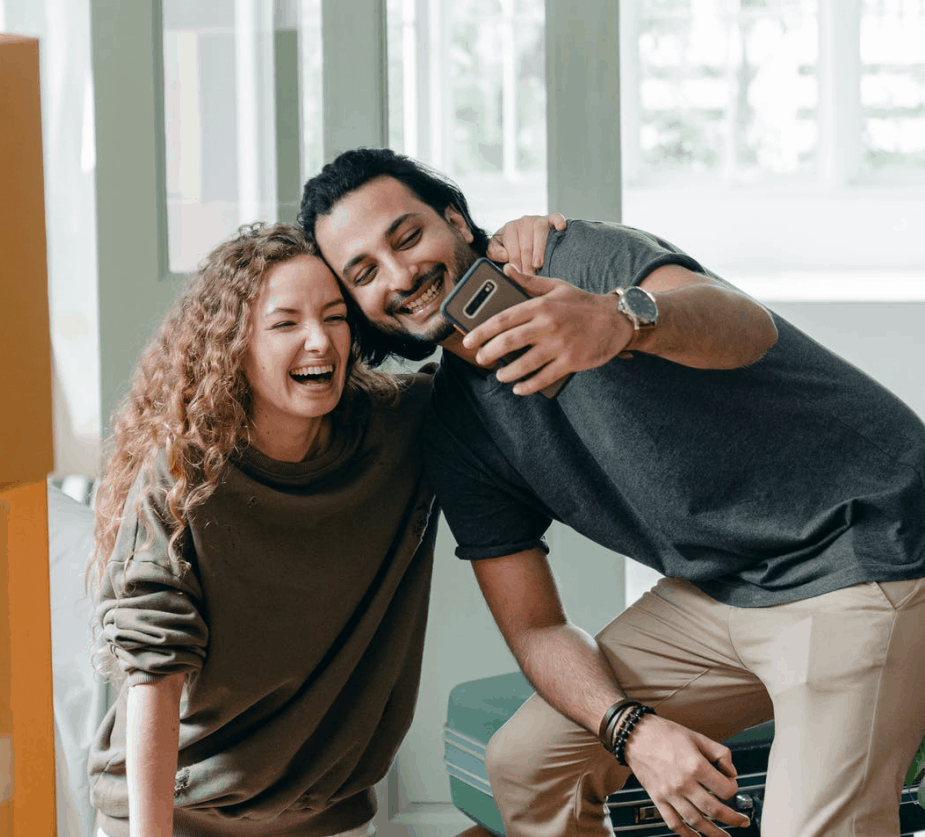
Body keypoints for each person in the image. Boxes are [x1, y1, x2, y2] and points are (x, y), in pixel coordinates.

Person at [298, 148, 925, 837]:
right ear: (355, 306)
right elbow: (536, 627)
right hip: (723, 592)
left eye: (408, 236)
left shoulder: (573, 261)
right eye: (363, 272)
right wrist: (633, 730)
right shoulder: (455, 428)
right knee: (528, 765)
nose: (401, 274)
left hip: (866, 551)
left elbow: (744, 323)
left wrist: (621, 321)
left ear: (455, 221)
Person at [85, 219, 556, 837]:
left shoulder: (402, 428)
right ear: (233, 344)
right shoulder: (183, 473)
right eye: (285, 324)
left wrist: (515, 243)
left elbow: (507, 356)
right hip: (174, 813)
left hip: (326, 817)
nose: (320, 342)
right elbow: (153, 671)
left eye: (335, 317)